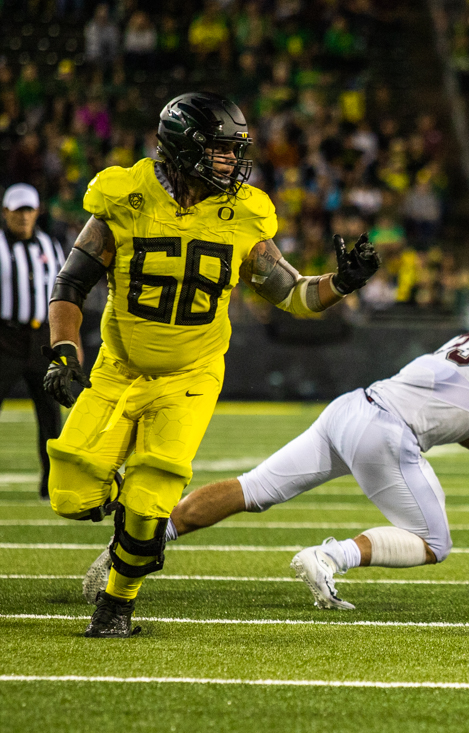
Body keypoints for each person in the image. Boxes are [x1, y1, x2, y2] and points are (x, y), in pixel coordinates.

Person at [45, 92, 381, 638]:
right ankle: (134, 522)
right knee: (70, 495)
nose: (232, 162)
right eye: (221, 150)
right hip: (117, 368)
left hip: (192, 376)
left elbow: (293, 295)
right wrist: (65, 352)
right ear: (182, 147)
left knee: (150, 497)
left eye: (234, 151)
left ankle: (116, 608)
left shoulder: (243, 214)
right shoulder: (124, 195)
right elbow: (70, 284)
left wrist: (340, 282)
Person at [82, 304, 469, 611]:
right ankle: (329, 558)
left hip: (352, 408)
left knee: (252, 489)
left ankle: (129, 547)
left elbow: (462, 418)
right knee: (434, 544)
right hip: (385, 430)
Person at [0, 184, 66, 499]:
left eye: (29, 210)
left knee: (52, 415)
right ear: (5, 212)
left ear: (37, 211)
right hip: (5, 338)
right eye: (18, 210)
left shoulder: (51, 246)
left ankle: (52, 483)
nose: (24, 217)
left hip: (43, 339)